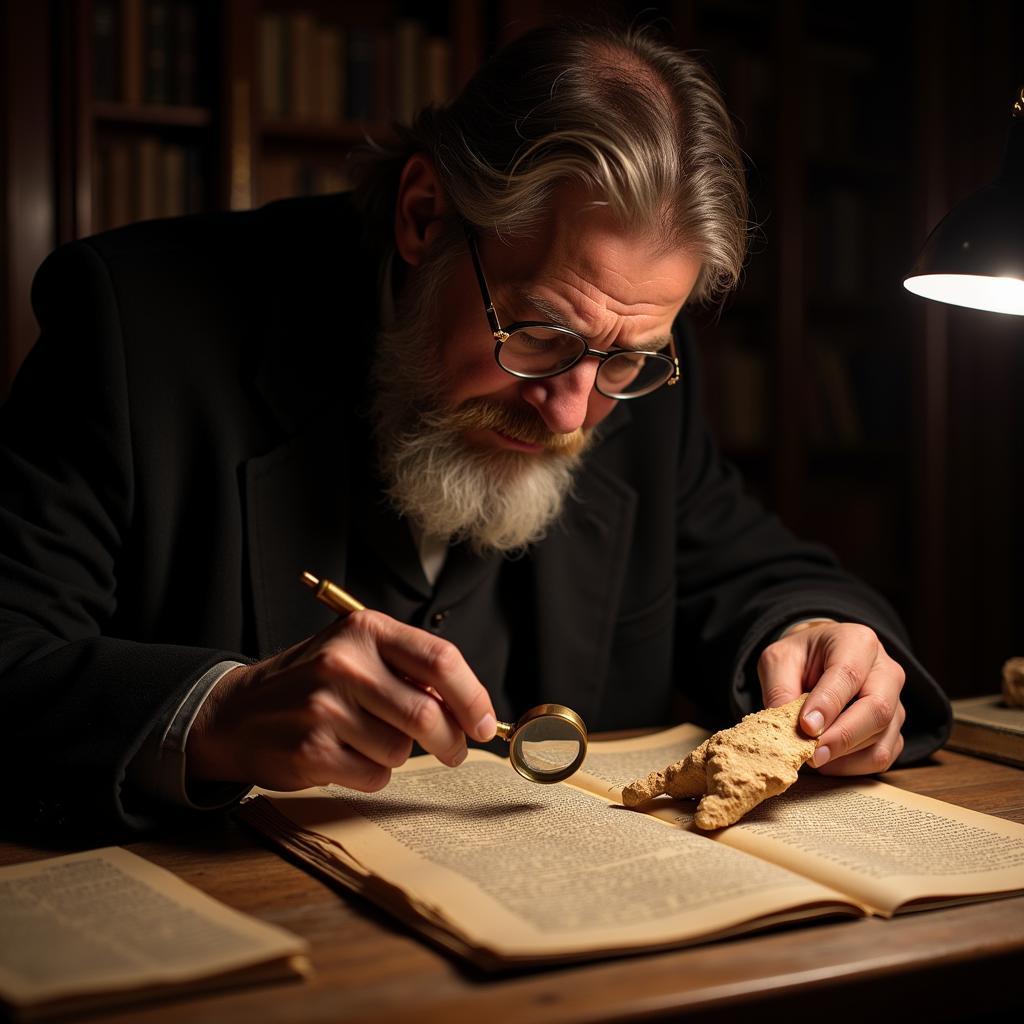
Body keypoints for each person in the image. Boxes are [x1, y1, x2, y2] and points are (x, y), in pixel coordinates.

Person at [0, 22, 949, 836]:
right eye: (539, 334)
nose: (577, 410)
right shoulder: (137, 328)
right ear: (424, 217)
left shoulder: (630, 363)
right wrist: (214, 715)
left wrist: (822, 638)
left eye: (622, 361)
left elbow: (753, 570)